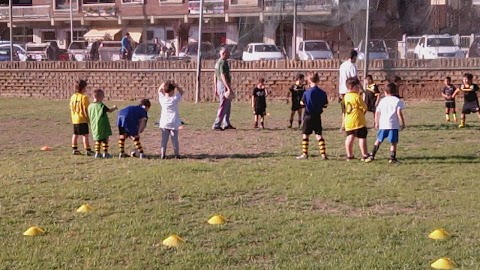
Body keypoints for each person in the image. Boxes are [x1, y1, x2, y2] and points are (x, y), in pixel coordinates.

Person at [367, 83, 406, 164]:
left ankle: (372, 155)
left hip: (383, 124)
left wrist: (376, 122)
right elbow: (398, 112)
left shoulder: (382, 101)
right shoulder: (397, 101)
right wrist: (402, 123)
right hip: (393, 125)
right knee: (393, 142)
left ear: (384, 92)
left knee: (378, 140)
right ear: (395, 91)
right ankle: (392, 158)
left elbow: (377, 112)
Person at [296, 72, 328, 160]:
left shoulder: (307, 93)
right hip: (317, 116)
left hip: (308, 116)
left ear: (309, 80)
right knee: (319, 135)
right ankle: (323, 154)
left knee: (305, 135)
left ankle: (305, 153)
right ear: (318, 80)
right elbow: (325, 105)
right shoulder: (322, 93)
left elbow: (302, 103)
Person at [343, 77, 369, 161]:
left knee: (349, 137)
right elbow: (365, 107)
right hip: (358, 121)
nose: (359, 88)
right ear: (353, 87)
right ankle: (365, 154)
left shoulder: (345, 97)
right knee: (362, 138)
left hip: (348, 121)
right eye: (358, 86)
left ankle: (349, 155)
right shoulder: (357, 97)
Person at [88, 89, 118, 159]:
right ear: (100, 97)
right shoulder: (101, 105)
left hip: (94, 125)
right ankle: (105, 153)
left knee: (98, 139)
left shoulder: (90, 106)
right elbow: (109, 111)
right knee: (105, 139)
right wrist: (114, 108)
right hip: (103, 125)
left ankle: (97, 153)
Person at [158, 81, 184, 159]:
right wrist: (177, 85)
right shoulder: (174, 99)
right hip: (173, 122)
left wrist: (162, 85)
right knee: (175, 140)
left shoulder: (162, 99)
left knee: (164, 140)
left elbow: (159, 91)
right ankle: (177, 154)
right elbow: (181, 92)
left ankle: (163, 154)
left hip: (164, 122)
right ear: (172, 91)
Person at [212, 47, 235, 131]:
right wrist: (228, 88)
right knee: (223, 104)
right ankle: (216, 124)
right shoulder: (222, 63)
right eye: (228, 53)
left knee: (228, 105)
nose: (229, 54)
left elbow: (214, 75)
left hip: (220, 84)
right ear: (224, 53)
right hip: (223, 84)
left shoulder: (218, 62)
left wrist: (215, 87)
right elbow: (222, 76)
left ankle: (226, 123)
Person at [69, 80, 94, 156]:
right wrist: (88, 119)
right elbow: (85, 109)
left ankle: (74, 149)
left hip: (74, 118)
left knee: (75, 134)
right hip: (82, 118)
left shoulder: (73, 97)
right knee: (85, 135)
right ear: (83, 88)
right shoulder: (84, 98)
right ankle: (88, 149)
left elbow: (70, 107)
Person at [338, 50, 359, 131]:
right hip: (350, 89)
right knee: (351, 108)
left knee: (344, 108)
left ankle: (343, 125)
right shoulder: (352, 66)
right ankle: (349, 125)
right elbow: (355, 79)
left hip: (342, 89)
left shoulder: (342, 65)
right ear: (353, 57)